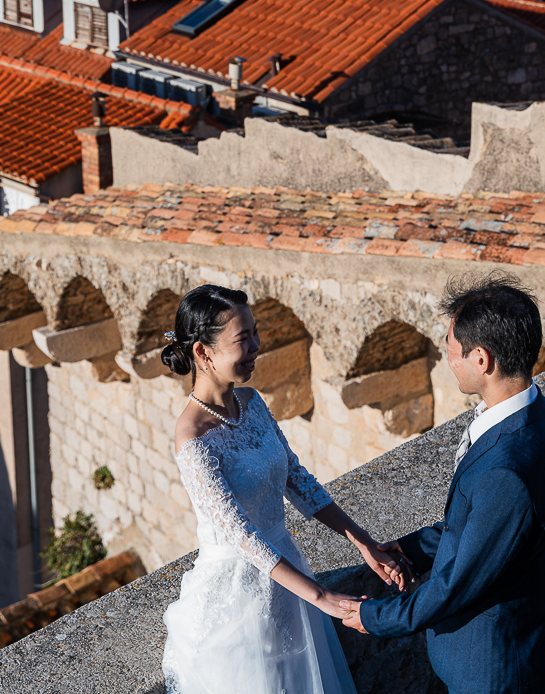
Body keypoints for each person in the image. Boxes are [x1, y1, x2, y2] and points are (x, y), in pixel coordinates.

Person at [161, 284, 411, 694]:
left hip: (287, 574)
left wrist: (364, 543)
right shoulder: (192, 438)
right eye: (243, 340)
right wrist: (323, 598)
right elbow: (241, 536)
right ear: (203, 354)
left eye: (255, 332)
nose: (257, 346)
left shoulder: (252, 401)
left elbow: (297, 479)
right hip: (237, 594)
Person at [342, 273, 545, 694]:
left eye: (452, 352)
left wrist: (375, 617)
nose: (447, 359)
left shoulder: (506, 471)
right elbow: (481, 527)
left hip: (493, 665)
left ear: (482, 360)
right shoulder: (543, 414)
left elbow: (458, 584)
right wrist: (410, 551)